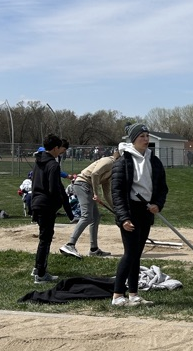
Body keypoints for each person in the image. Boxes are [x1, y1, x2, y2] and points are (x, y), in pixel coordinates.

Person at [111, 123, 168, 307]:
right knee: (130, 253)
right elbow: (117, 192)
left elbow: (162, 187)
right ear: (133, 139)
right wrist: (123, 217)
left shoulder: (154, 160)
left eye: (147, 135)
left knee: (137, 254)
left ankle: (133, 294)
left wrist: (158, 205)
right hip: (130, 211)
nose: (145, 139)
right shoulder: (123, 161)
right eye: (141, 136)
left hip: (146, 211)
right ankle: (117, 295)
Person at [31, 134, 73, 283]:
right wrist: (58, 204)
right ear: (55, 148)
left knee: (43, 238)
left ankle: (38, 267)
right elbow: (53, 189)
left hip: (36, 202)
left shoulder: (38, 161)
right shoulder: (53, 165)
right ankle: (41, 274)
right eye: (59, 148)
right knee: (45, 239)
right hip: (46, 205)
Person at [59, 151, 118, 259]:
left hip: (87, 187)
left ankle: (94, 249)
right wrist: (96, 193)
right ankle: (69, 245)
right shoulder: (109, 161)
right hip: (82, 184)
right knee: (86, 216)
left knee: (95, 217)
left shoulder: (112, 171)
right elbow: (94, 174)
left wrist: (116, 211)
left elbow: (107, 193)